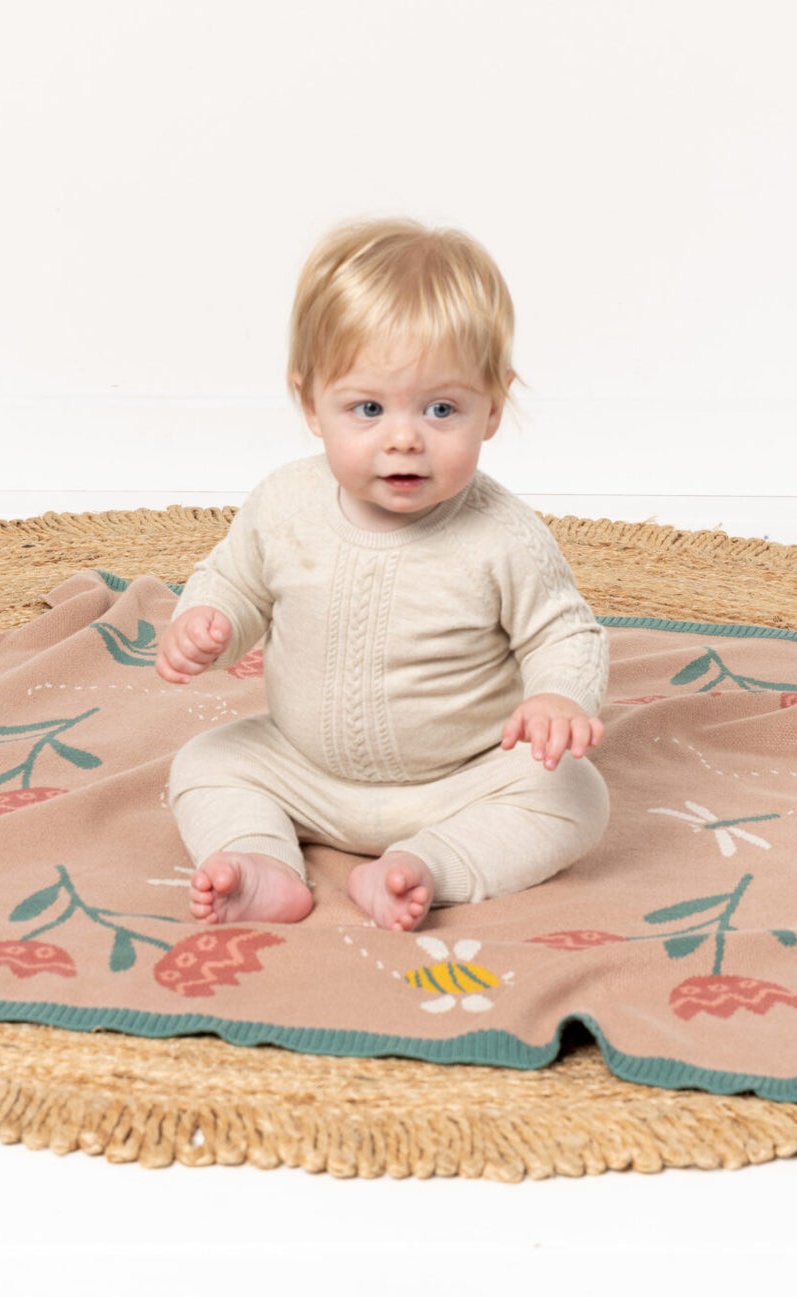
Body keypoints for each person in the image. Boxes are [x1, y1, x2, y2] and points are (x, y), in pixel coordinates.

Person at [155, 216, 610, 933]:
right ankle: (261, 862)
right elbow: (235, 581)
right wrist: (208, 621)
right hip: (301, 767)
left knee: (573, 796)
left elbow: (564, 631)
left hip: (463, 778)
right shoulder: (285, 504)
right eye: (368, 408)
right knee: (204, 762)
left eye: (441, 409)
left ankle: (427, 865)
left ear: (492, 408)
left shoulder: (503, 535)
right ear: (311, 404)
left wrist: (558, 695)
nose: (404, 438)